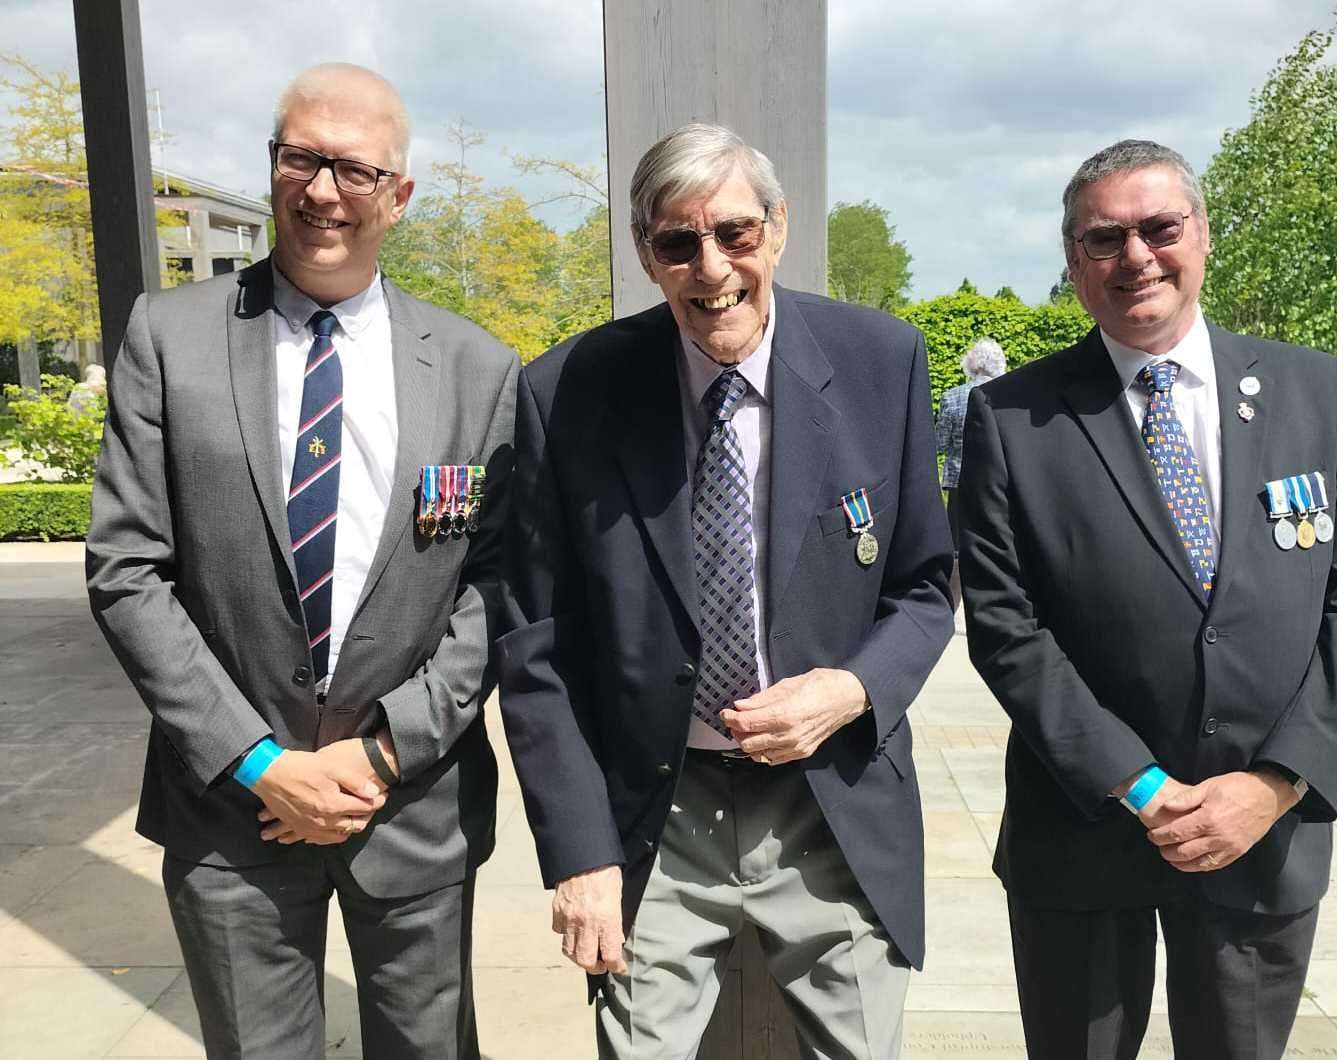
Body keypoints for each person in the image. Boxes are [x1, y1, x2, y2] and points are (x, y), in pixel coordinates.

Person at [86, 63, 519, 1060]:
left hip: (409, 807)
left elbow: (495, 587)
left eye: (354, 169)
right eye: (301, 158)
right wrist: (258, 760)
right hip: (231, 816)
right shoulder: (169, 338)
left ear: (399, 195)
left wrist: (383, 750)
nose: (323, 191)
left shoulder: (475, 367)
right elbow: (126, 568)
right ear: (275, 163)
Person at [498, 122, 953, 1059]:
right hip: (659, 811)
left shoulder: (882, 363)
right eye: (679, 242)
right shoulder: (567, 392)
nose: (712, 269)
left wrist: (854, 689)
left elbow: (925, 583)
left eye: (736, 234)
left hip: (831, 795)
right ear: (646, 253)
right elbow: (535, 642)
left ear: (777, 231)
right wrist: (580, 851)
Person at [955, 139, 1337, 1059]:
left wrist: (1275, 786)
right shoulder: (1014, 418)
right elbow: (1006, 627)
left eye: (1159, 228)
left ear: (1202, 234)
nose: (1136, 257)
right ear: (1074, 264)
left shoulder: (1317, 390)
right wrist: (1143, 786)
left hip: (1258, 835)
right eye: (1104, 239)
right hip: (1084, 834)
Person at [935, 337, 1005, 607]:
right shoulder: (1007, 395)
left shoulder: (952, 396)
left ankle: (951, 605)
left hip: (957, 480)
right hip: (997, 481)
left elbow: (940, 442)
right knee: (992, 542)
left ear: (972, 363)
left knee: (955, 549)